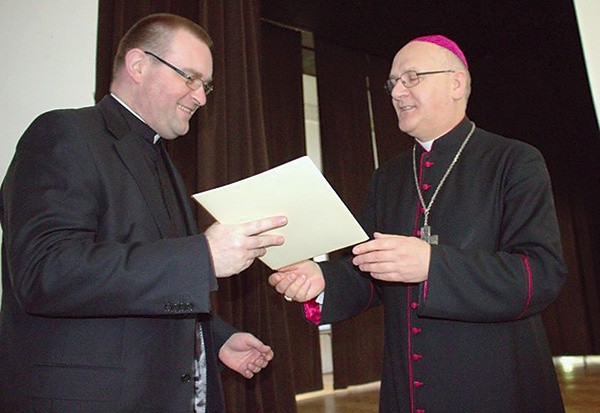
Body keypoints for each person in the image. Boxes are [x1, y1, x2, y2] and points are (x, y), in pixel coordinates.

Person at [0, 13, 287, 412]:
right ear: (138, 65)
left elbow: (143, 282)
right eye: (189, 78)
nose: (200, 97)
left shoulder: (162, 159)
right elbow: (46, 271)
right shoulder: (64, 134)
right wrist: (203, 255)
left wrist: (215, 338)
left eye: (205, 85)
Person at [269, 35, 567, 412]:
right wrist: (322, 280)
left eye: (412, 77)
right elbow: (370, 274)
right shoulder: (388, 177)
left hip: (494, 382)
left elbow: (540, 274)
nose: (397, 92)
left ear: (456, 83)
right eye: (393, 82)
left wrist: (431, 264)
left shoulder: (514, 161)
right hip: (407, 388)